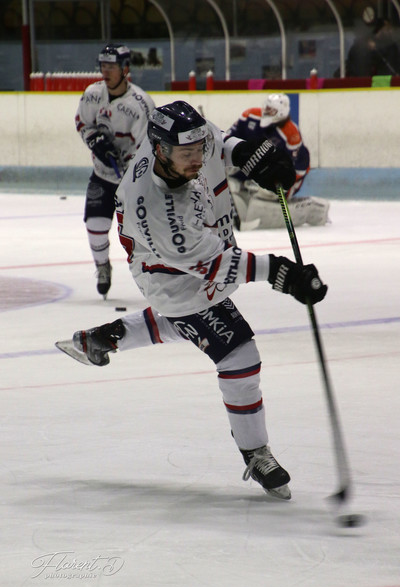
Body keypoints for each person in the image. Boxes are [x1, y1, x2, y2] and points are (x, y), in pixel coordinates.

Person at [57, 101, 328, 500]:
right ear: (161, 150)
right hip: (172, 281)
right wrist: (284, 274)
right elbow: (215, 264)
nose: (198, 159)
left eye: (197, 149)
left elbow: (218, 140)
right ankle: (255, 452)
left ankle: (103, 337)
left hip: (198, 252)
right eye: (187, 155)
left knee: (189, 326)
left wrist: (250, 155)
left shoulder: (183, 136)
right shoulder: (154, 206)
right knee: (238, 355)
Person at [75, 43, 155, 298]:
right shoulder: (92, 94)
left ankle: (153, 275)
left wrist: (129, 167)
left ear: (125, 68)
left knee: (142, 232)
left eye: (112, 66)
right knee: (95, 225)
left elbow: (147, 148)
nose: (106, 71)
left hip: (133, 182)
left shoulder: (141, 104)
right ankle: (102, 266)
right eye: (103, 66)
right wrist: (95, 141)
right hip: (102, 175)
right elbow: (83, 122)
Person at [225, 93, 329, 229]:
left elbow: (298, 168)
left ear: (281, 112)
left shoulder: (290, 133)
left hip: (276, 177)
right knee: (228, 185)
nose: (266, 112)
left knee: (262, 197)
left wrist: (281, 183)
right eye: (266, 108)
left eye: (271, 110)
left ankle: (311, 210)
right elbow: (229, 139)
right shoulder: (250, 116)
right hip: (251, 169)